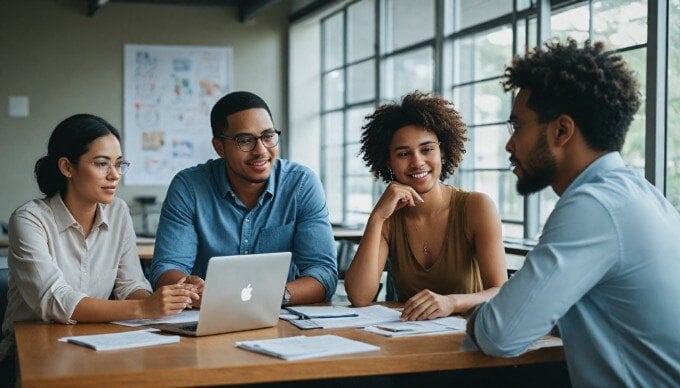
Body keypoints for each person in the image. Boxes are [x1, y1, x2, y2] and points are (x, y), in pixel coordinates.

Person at [466, 39, 680, 386]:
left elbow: (499, 334)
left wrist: (476, 316)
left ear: (561, 130)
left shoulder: (594, 206)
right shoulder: (640, 195)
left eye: (517, 126)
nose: (509, 144)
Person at [0, 114, 199, 383]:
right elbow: (56, 301)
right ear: (66, 167)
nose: (114, 174)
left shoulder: (118, 211)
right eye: (101, 163)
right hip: (28, 356)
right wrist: (145, 308)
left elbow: (129, 286)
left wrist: (170, 298)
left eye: (119, 164)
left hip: (95, 345)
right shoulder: (29, 219)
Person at [150, 91, 337, 306]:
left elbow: (323, 273)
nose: (261, 151)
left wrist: (270, 296)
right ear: (219, 147)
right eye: (245, 141)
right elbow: (167, 268)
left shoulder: (302, 184)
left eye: (268, 136)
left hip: (278, 317)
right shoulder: (189, 186)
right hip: (205, 316)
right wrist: (188, 289)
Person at [344, 92, 507, 321]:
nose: (417, 162)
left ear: (443, 151)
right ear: (388, 162)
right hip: (410, 340)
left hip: (470, 339)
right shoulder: (389, 216)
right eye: (403, 154)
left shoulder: (477, 207)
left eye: (427, 149)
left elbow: (501, 292)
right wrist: (377, 218)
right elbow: (359, 297)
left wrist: (452, 302)